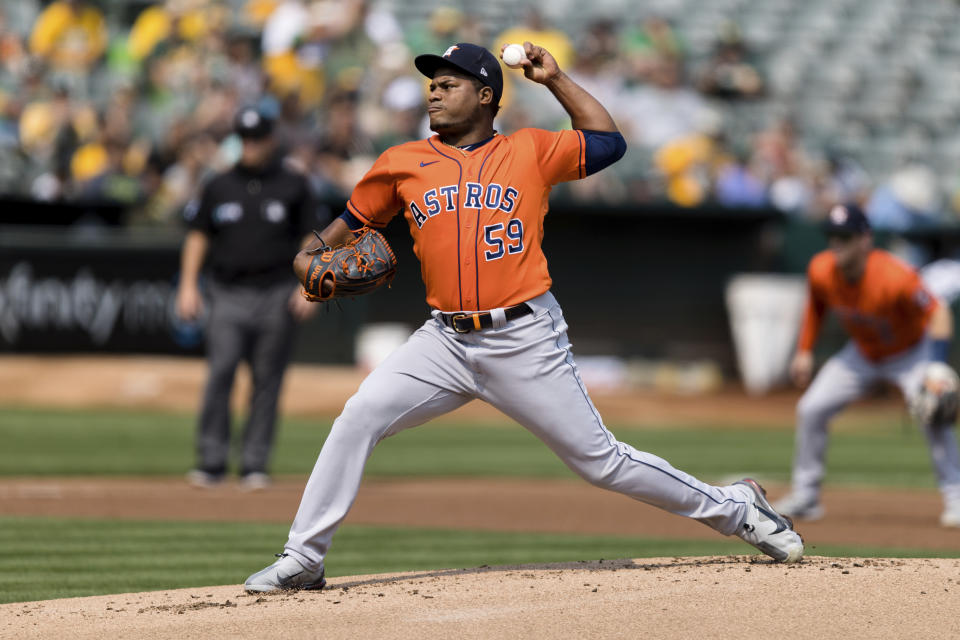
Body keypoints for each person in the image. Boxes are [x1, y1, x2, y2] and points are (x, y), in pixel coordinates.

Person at [244, 42, 803, 593]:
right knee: (358, 416)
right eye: (432, 83)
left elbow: (608, 142)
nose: (434, 92)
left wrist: (554, 79)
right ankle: (304, 557)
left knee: (600, 462)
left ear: (486, 96)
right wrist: (308, 251)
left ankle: (736, 508)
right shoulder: (402, 162)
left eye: (449, 83)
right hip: (443, 341)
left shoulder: (531, 150)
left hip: (524, 336)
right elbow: (348, 220)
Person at [774, 203, 960, 526]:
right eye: (832, 236)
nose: (836, 244)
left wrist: (936, 366)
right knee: (811, 408)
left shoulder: (894, 276)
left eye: (844, 237)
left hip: (910, 352)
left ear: (865, 239)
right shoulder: (821, 269)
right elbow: (816, 305)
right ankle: (806, 495)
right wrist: (804, 350)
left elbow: (939, 312)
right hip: (862, 353)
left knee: (934, 414)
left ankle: (956, 498)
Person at [176, 105, 323, 491]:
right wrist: (188, 285)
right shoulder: (218, 184)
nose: (250, 146)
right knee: (220, 372)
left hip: (276, 292)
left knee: (267, 380)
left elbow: (312, 238)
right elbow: (198, 235)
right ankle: (211, 460)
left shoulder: (293, 184)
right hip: (226, 292)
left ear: (271, 141)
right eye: (244, 138)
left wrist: (308, 286)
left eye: (257, 139)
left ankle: (255, 462)